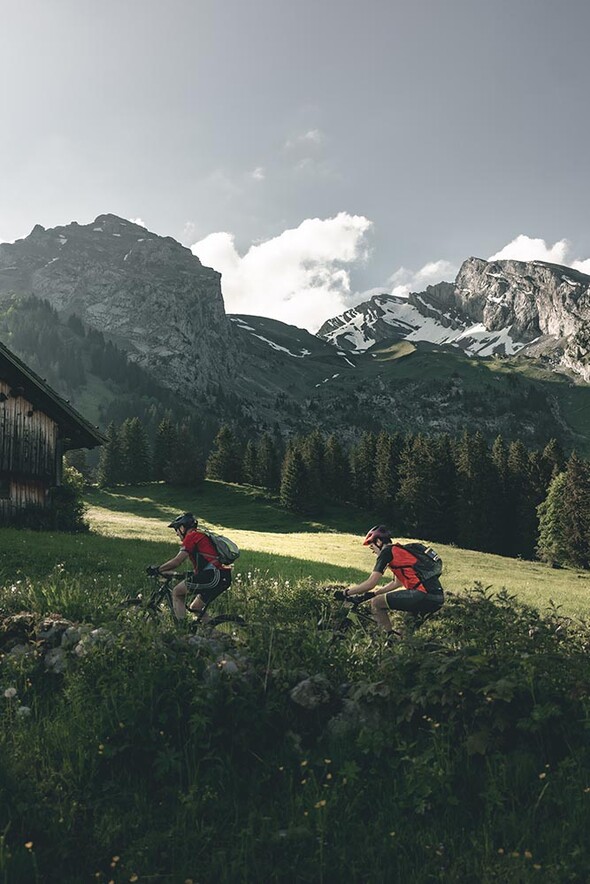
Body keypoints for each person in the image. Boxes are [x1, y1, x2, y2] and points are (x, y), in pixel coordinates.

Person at [336, 525, 444, 636]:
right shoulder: (398, 552)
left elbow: (371, 583)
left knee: (376, 603)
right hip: (437, 597)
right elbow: (397, 583)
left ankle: (387, 640)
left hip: (422, 594)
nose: (372, 551)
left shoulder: (386, 552)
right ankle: (406, 648)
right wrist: (374, 593)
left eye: (371, 546)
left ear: (378, 541)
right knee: (404, 636)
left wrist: (345, 592)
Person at [147, 512, 232, 621]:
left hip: (214, 575)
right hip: (221, 575)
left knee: (177, 592)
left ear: (182, 528)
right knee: (195, 608)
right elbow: (205, 564)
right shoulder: (200, 535)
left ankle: (183, 630)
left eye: (176, 530)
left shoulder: (192, 536)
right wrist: (180, 575)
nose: (177, 534)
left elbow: (177, 561)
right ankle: (215, 635)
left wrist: (158, 569)